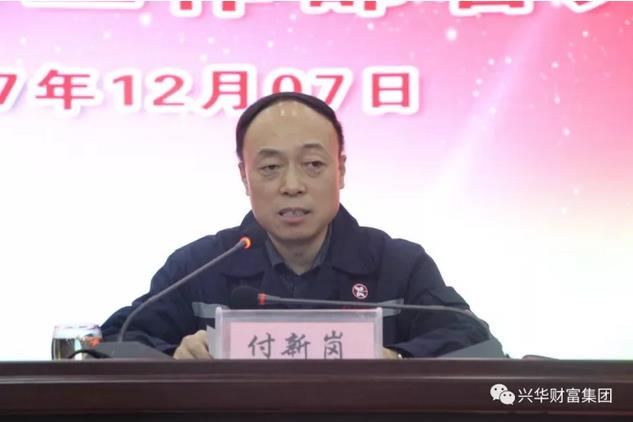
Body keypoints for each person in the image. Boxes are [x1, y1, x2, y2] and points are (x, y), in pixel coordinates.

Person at [101, 92, 494, 359]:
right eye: (271, 167)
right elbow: (117, 338)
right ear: (244, 177)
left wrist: (397, 358)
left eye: (313, 165)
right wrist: (175, 355)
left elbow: (474, 340)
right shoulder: (199, 266)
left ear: (341, 170)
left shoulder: (398, 264)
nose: (292, 185)